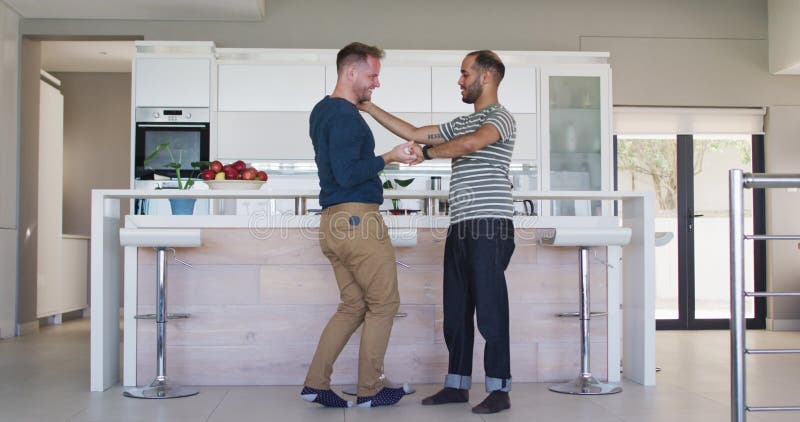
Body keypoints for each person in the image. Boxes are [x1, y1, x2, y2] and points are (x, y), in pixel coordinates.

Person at [358, 50, 516, 414]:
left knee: (490, 309)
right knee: (456, 309)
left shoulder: (500, 118)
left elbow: (473, 144)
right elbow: (414, 132)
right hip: (460, 224)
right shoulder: (462, 123)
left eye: (465, 73)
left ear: (487, 76)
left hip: (490, 223)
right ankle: (457, 385)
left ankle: (499, 389)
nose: (459, 81)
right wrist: (369, 107)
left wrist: (427, 155)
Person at [300, 42, 416, 409]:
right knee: (384, 303)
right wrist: (391, 156)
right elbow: (349, 173)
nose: (376, 83)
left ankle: (316, 383)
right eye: (372, 75)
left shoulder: (322, 111)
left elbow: (339, 169)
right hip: (357, 220)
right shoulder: (346, 117)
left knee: (353, 305)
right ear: (351, 73)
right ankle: (371, 389)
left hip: (333, 223)